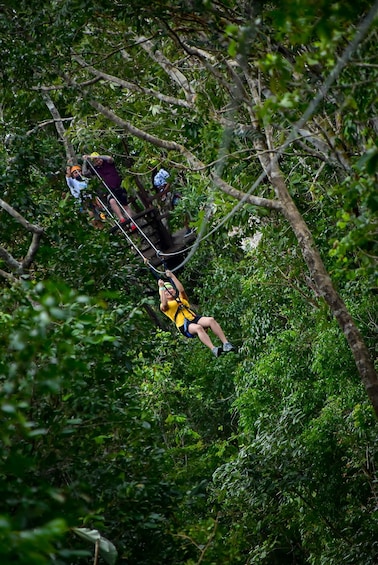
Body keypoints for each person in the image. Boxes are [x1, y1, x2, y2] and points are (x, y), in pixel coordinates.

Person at [158, 270, 235, 357]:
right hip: (184, 324)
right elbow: (163, 302)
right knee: (198, 328)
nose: (169, 291)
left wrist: (172, 276)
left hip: (193, 318)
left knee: (211, 320)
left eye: (170, 289)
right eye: (166, 291)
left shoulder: (181, 299)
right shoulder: (165, 306)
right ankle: (213, 348)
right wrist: (161, 288)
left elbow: (181, 290)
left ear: (174, 290)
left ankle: (226, 343)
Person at [82, 152, 136, 230]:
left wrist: (98, 156)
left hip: (119, 186)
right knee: (112, 201)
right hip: (111, 189)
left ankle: (132, 223)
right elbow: (84, 173)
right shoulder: (96, 169)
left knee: (125, 206)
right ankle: (121, 218)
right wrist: (85, 160)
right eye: (96, 161)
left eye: (98, 160)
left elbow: (110, 158)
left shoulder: (108, 162)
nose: (98, 162)